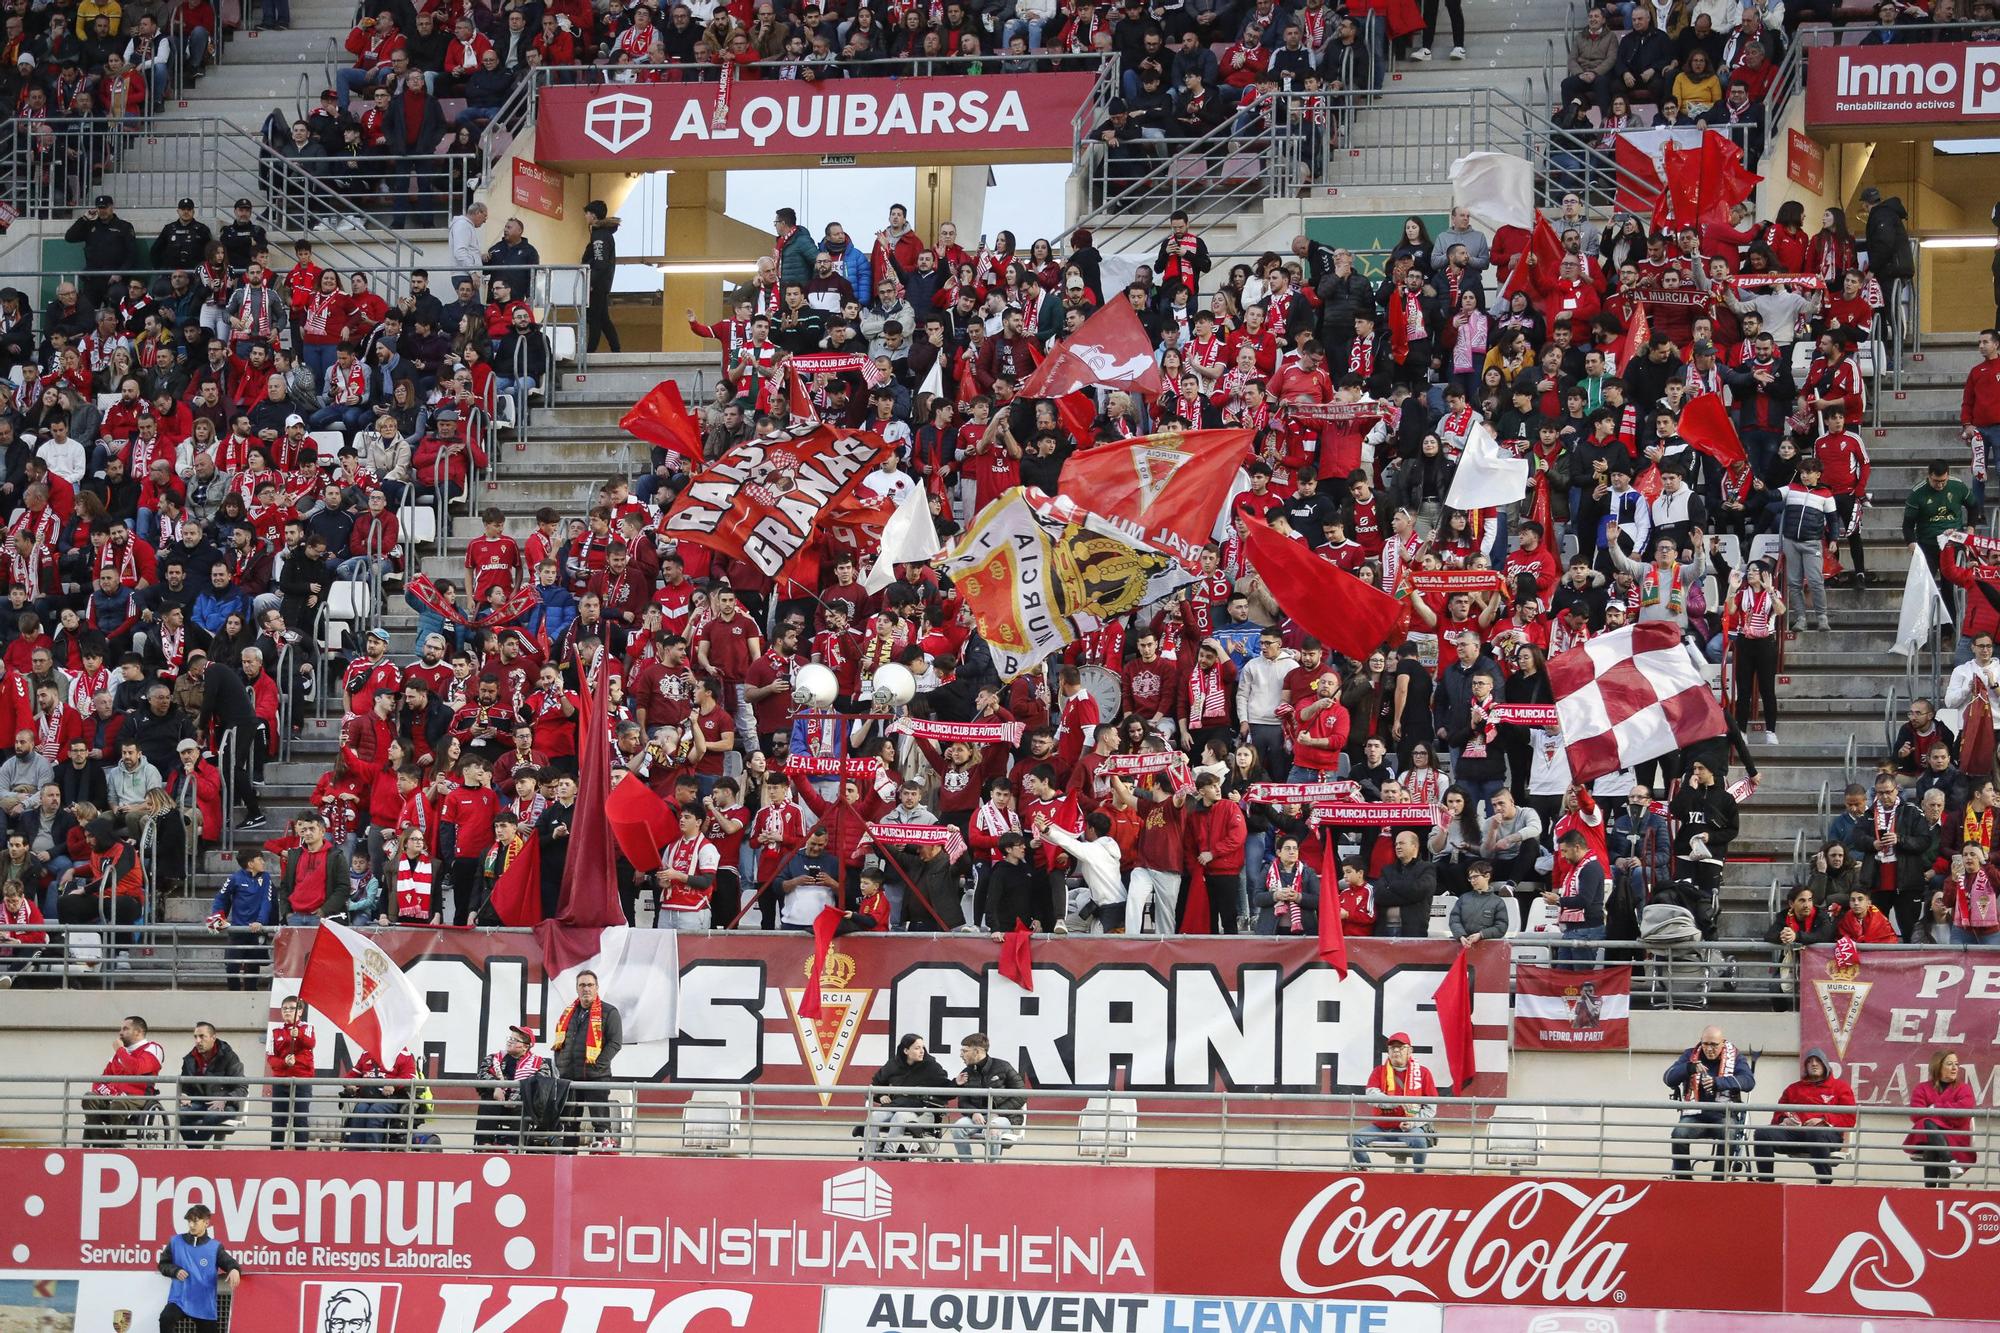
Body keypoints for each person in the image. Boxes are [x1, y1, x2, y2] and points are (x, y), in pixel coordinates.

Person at [1664, 1025, 1756, 1179]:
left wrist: (1719, 1083)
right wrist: (1688, 1068)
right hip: (1695, 1115)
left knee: (1729, 1132)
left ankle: (1718, 1181)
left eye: (1714, 1044)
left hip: (1723, 1115)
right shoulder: (1690, 1055)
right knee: (1679, 1133)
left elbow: (1748, 1081)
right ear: (1701, 1042)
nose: (1709, 1049)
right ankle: (1683, 1181)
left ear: (1723, 1043)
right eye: (1705, 1044)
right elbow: (1668, 1078)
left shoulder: (1735, 1056)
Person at [1752, 1048, 1855, 1184]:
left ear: (1825, 1065)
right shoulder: (1793, 1089)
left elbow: (1850, 1118)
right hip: (1797, 1135)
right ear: (1805, 1067)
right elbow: (1779, 1113)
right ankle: (1766, 1182)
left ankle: (1825, 1182)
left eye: (1818, 1061)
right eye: (1810, 1062)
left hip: (1827, 1137)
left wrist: (1824, 1120)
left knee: (1815, 1133)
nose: (1814, 1064)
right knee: (1762, 1134)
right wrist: (1784, 1119)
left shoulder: (1840, 1087)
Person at [550, 969, 621, 1151]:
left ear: (597, 988)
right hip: (570, 1078)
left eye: (590, 985)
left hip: (596, 1076)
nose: (586, 989)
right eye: (582, 985)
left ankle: (600, 1155)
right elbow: (560, 1043)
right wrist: (560, 1064)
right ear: (577, 988)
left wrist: (598, 1065)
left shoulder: (609, 1011)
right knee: (571, 1121)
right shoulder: (569, 1013)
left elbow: (615, 1043)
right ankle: (569, 1156)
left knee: (600, 1120)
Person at [1349, 1033, 1437, 1171]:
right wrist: (1398, 1102)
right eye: (1392, 1048)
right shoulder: (1379, 1071)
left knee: (1420, 1141)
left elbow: (1431, 1107)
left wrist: (1414, 1122)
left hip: (1409, 1129)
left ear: (1410, 1051)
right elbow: (1371, 1096)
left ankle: (1419, 1177)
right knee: (1354, 1138)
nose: (1396, 1051)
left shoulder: (1423, 1073)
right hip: (1381, 1127)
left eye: (1401, 1047)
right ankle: (1368, 1171)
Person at [153, 1203, 242, 1333]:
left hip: (204, 1303)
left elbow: (229, 1262)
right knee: (166, 1318)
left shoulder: (214, 1247)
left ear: (206, 1223)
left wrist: (234, 1269)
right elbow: (163, 1264)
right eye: (189, 1221)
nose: (191, 1225)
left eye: (195, 1221)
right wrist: (175, 1270)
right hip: (180, 1300)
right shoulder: (175, 1242)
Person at [864, 1032, 950, 1158]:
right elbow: (875, 1084)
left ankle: (888, 1155)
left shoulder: (931, 1067)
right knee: (874, 1117)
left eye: (922, 1047)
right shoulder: (893, 1064)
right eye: (917, 1048)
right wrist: (880, 1094)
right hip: (895, 1107)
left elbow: (946, 1088)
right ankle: (870, 1156)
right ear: (906, 1050)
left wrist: (957, 1083)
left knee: (900, 1116)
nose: (922, 1051)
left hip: (923, 1112)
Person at [83, 1014, 164, 1144]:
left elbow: (135, 1068)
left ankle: (116, 1143)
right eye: (121, 1029)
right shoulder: (119, 1054)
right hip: (113, 1096)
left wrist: (120, 1050)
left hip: (137, 1098)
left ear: (138, 1032)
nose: (120, 1033)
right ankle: (101, 1141)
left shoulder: (153, 1048)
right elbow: (101, 1080)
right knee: (89, 1097)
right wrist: (106, 1092)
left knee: (118, 1103)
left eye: (125, 1029)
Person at [949, 1031, 1026, 1162]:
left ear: (977, 1051)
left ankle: (992, 1169)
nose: (961, 1055)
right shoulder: (966, 1072)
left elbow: (1021, 1095)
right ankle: (967, 1167)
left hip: (1004, 1118)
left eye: (965, 1051)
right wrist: (973, 1113)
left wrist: (997, 1113)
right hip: (978, 1118)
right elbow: (962, 1102)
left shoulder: (1003, 1067)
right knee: (957, 1129)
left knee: (993, 1129)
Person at [1907, 1047, 1975, 1186]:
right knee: (1928, 1125)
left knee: (1930, 1128)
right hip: (1930, 1136)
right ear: (1938, 1066)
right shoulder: (1922, 1088)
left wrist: (1935, 1108)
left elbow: (1964, 1109)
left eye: (1956, 1064)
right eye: (1949, 1064)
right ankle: (1951, 1163)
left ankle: (1931, 1191)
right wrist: (1946, 1114)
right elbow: (1916, 1114)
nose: (1955, 1068)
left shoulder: (1964, 1088)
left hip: (1956, 1134)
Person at [475, 1024, 546, 1149]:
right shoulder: (494, 1058)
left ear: (525, 1047)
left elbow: (541, 1084)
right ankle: (484, 1145)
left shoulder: (539, 1063)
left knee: (523, 1107)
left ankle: (512, 1147)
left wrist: (517, 1097)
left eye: (515, 1040)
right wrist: (496, 1086)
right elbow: (482, 1074)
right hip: (498, 1100)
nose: (509, 1041)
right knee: (489, 1103)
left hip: (521, 1103)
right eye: (510, 1038)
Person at [175, 1021, 245, 1148]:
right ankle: (196, 1151)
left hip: (226, 1105)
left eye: (202, 1036)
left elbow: (242, 1087)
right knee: (180, 1114)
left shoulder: (229, 1056)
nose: (197, 1041)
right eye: (195, 1037)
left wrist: (224, 1100)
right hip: (200, 1103)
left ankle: (194, 1151)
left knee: (211, 1116)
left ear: (213, 1038)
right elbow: (185, 1086)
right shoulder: (190, 1059)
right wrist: (184, 1095)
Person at [267, 995, 315, 1150]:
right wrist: (284, 1063)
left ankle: (300, 1153)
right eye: (284, 1008)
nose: (287, 1011)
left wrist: (298, 1035)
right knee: (278, 1119)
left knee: (300, 1119)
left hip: (302, 1080)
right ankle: (276, 1152)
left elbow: (310, 1043)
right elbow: (271, 1057)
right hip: (281, 1080)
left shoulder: (307, 1028)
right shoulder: (275, 1032)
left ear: (300, 1011)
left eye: (292, 1008)